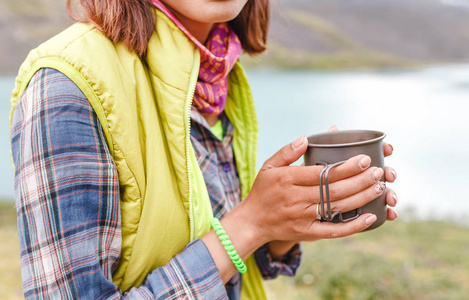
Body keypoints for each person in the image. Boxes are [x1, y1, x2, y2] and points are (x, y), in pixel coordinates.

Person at [9, 0, 398, 299]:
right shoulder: (64, 85)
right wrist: (251, 223)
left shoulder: (213, 77)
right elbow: (233, 236)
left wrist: (288, 221)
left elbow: (224, 262)